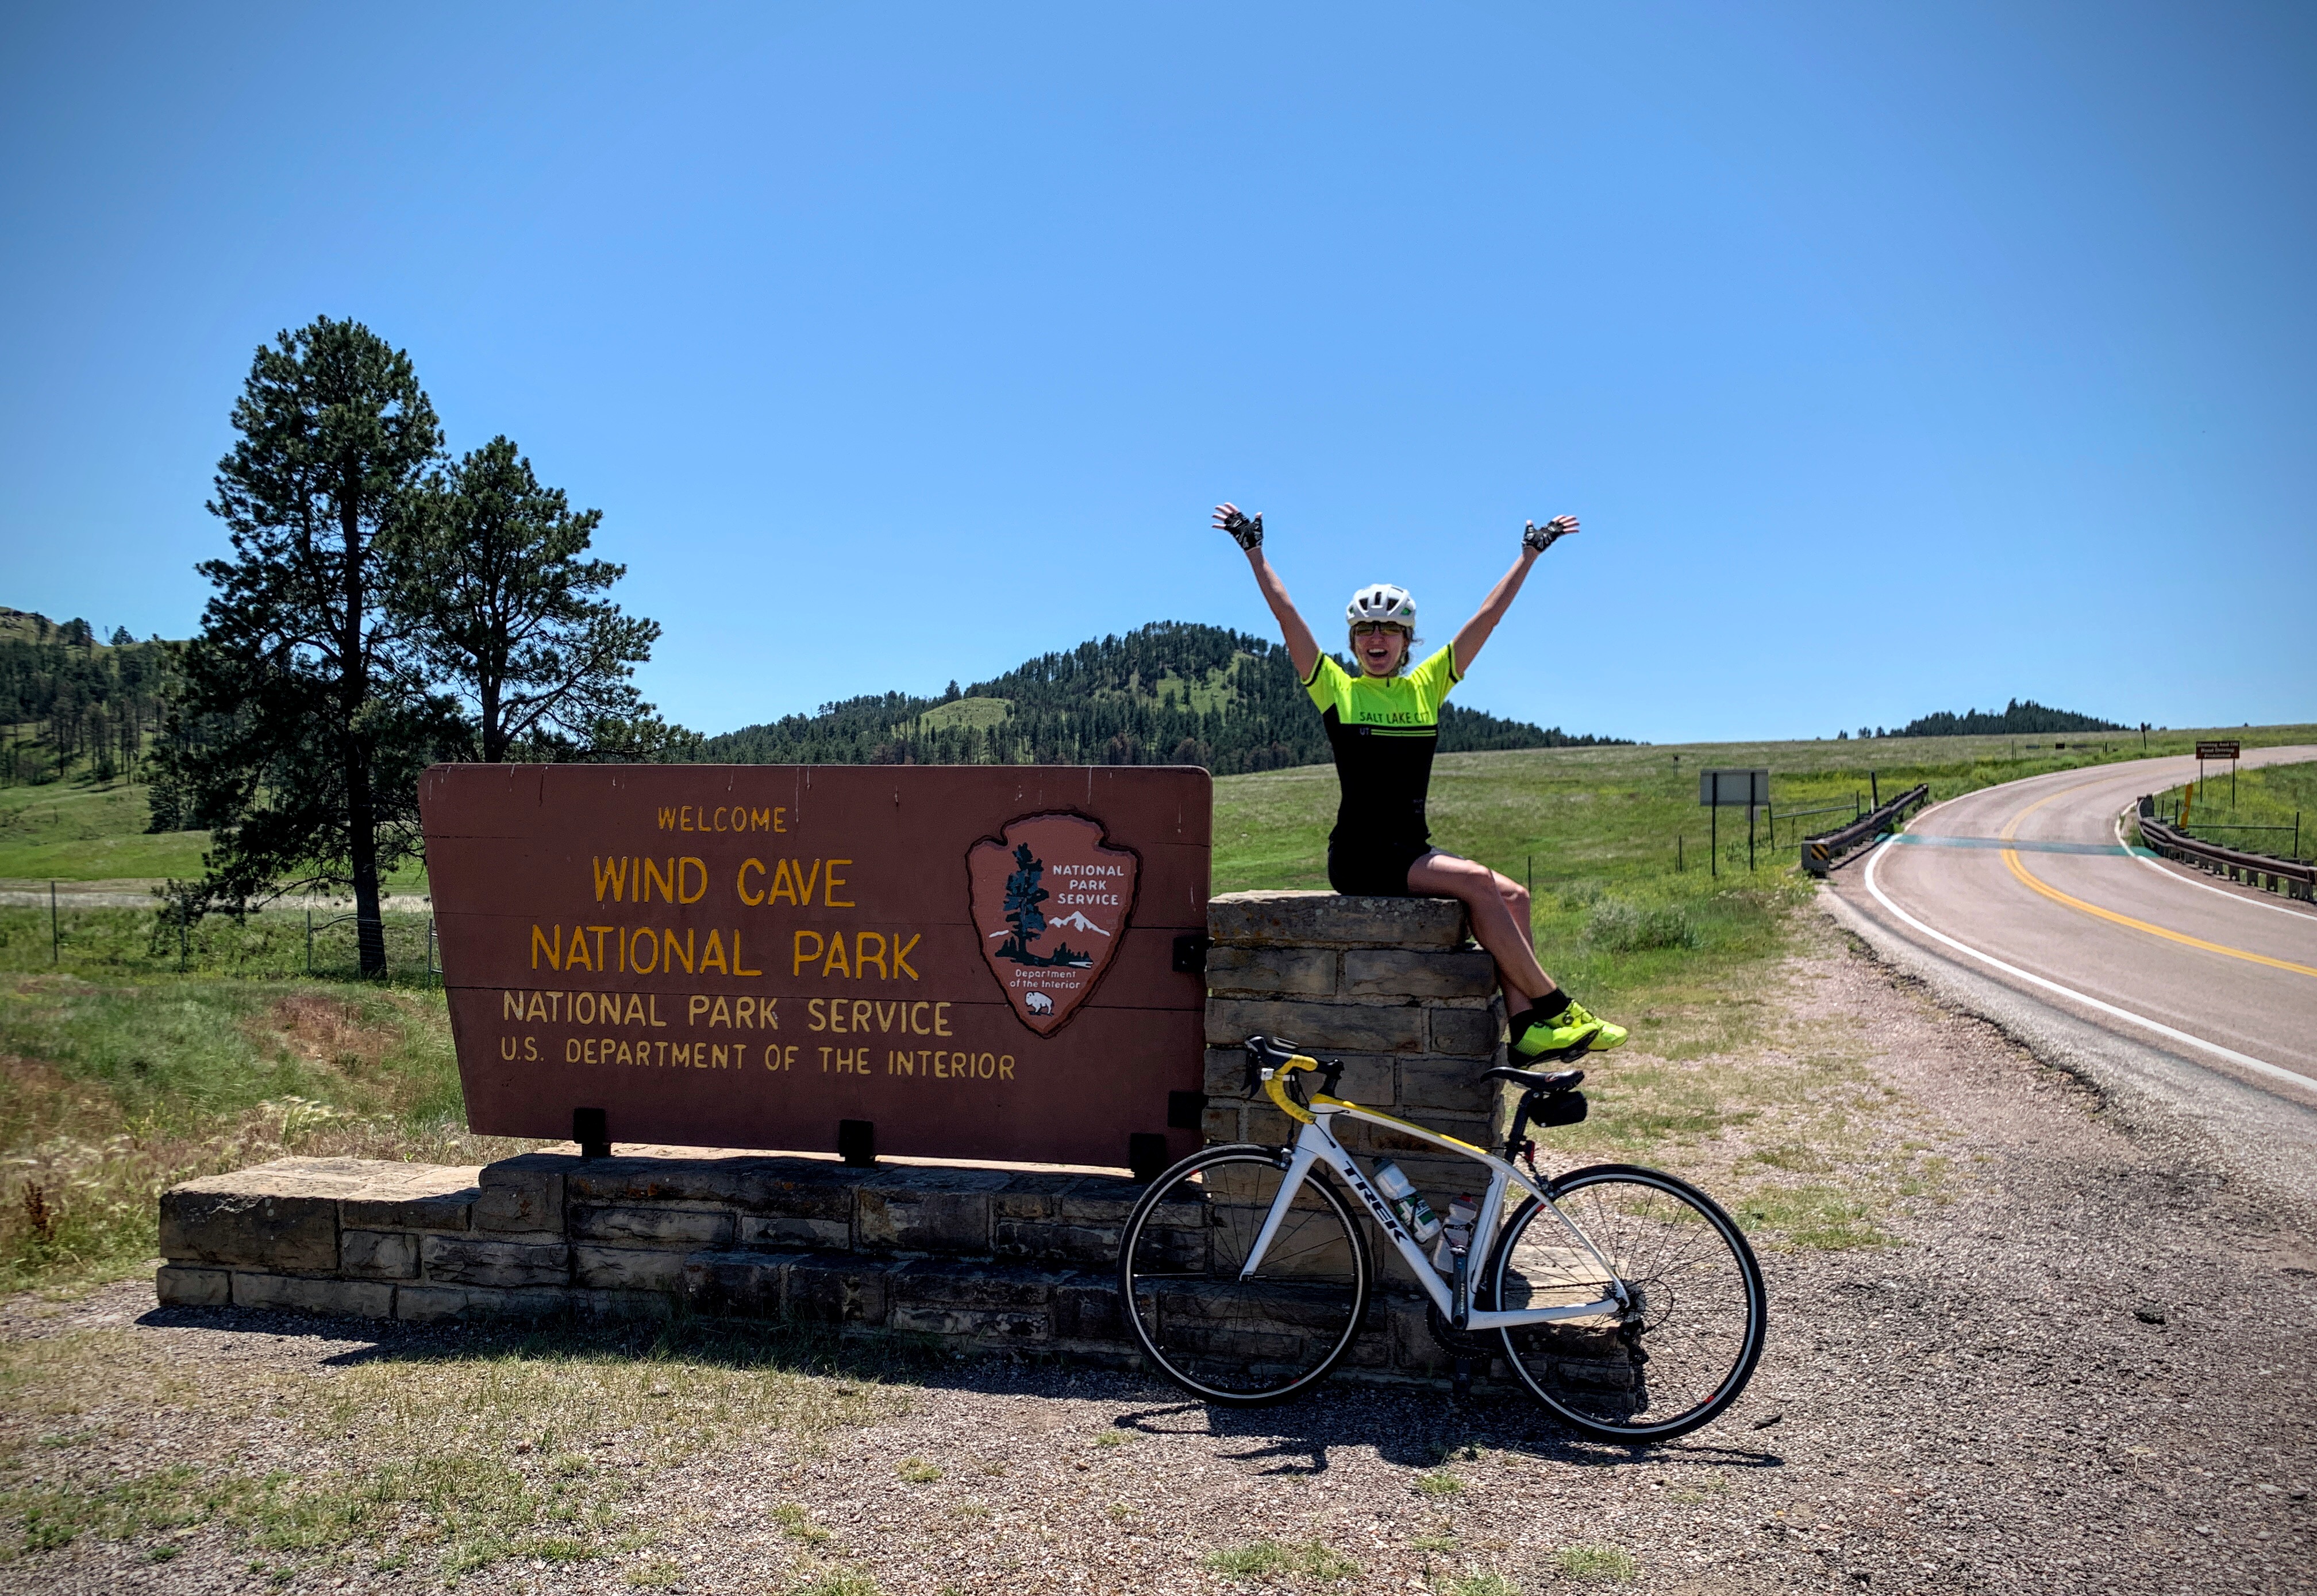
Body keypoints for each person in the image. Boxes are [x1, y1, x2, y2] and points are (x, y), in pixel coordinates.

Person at [1215, 502, 1626, 1059]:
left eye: (1390, 629)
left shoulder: (1427, 687)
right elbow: (1288, 617)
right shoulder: (1337, 689)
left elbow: (1488, 618)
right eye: (1365, 629)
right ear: (1353, 641)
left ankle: (1527, 1028)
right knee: (1478, 881)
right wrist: (1255, 552)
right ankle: (1557, 1005)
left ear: (1408, 640)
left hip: (1410, 848)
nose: (1376, 638)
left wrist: (1528, 557)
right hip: (1361, 854)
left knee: (1515, 896)